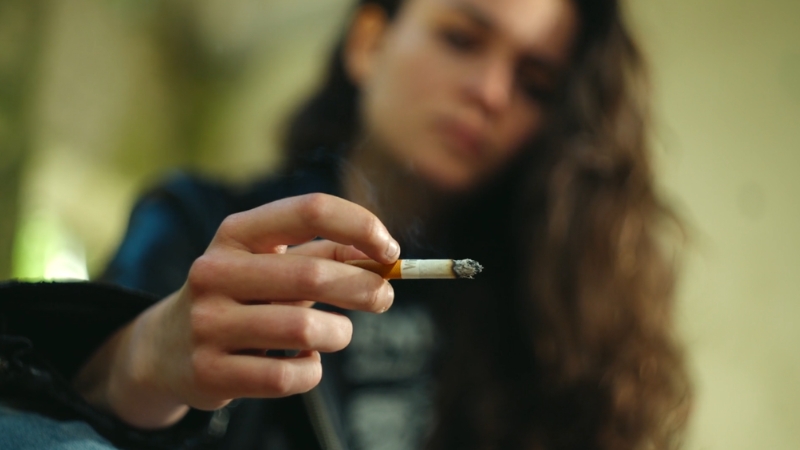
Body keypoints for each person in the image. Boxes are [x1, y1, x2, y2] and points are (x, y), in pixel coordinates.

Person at [0, 0, 691, 449]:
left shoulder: (545, 305)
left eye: (535, 83)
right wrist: (146, 358)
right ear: (369, 42)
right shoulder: (198, 222)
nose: (489, 93)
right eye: (460, 38)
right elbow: (73, 416)